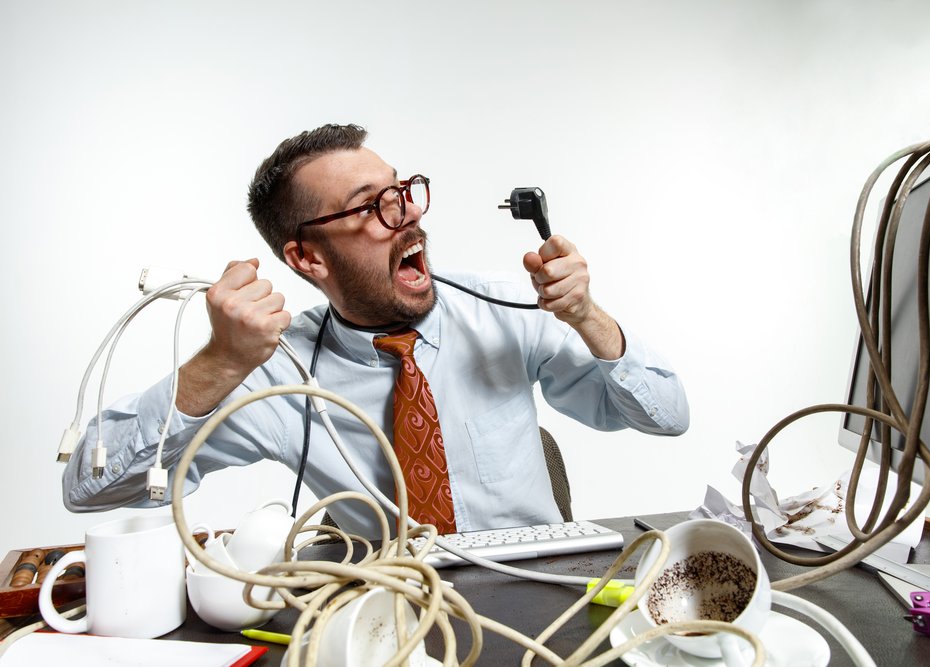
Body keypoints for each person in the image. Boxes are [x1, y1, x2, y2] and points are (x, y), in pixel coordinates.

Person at [63, 124, 689, 537]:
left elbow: (667, 415)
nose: (408, 214)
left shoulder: (504, 308)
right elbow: (89, 489)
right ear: (308, 258)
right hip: (385, 614)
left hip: (538, 595)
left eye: (404, 191)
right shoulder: (281, 370)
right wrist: (219, 365)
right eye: (371, 206)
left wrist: (587, 315)